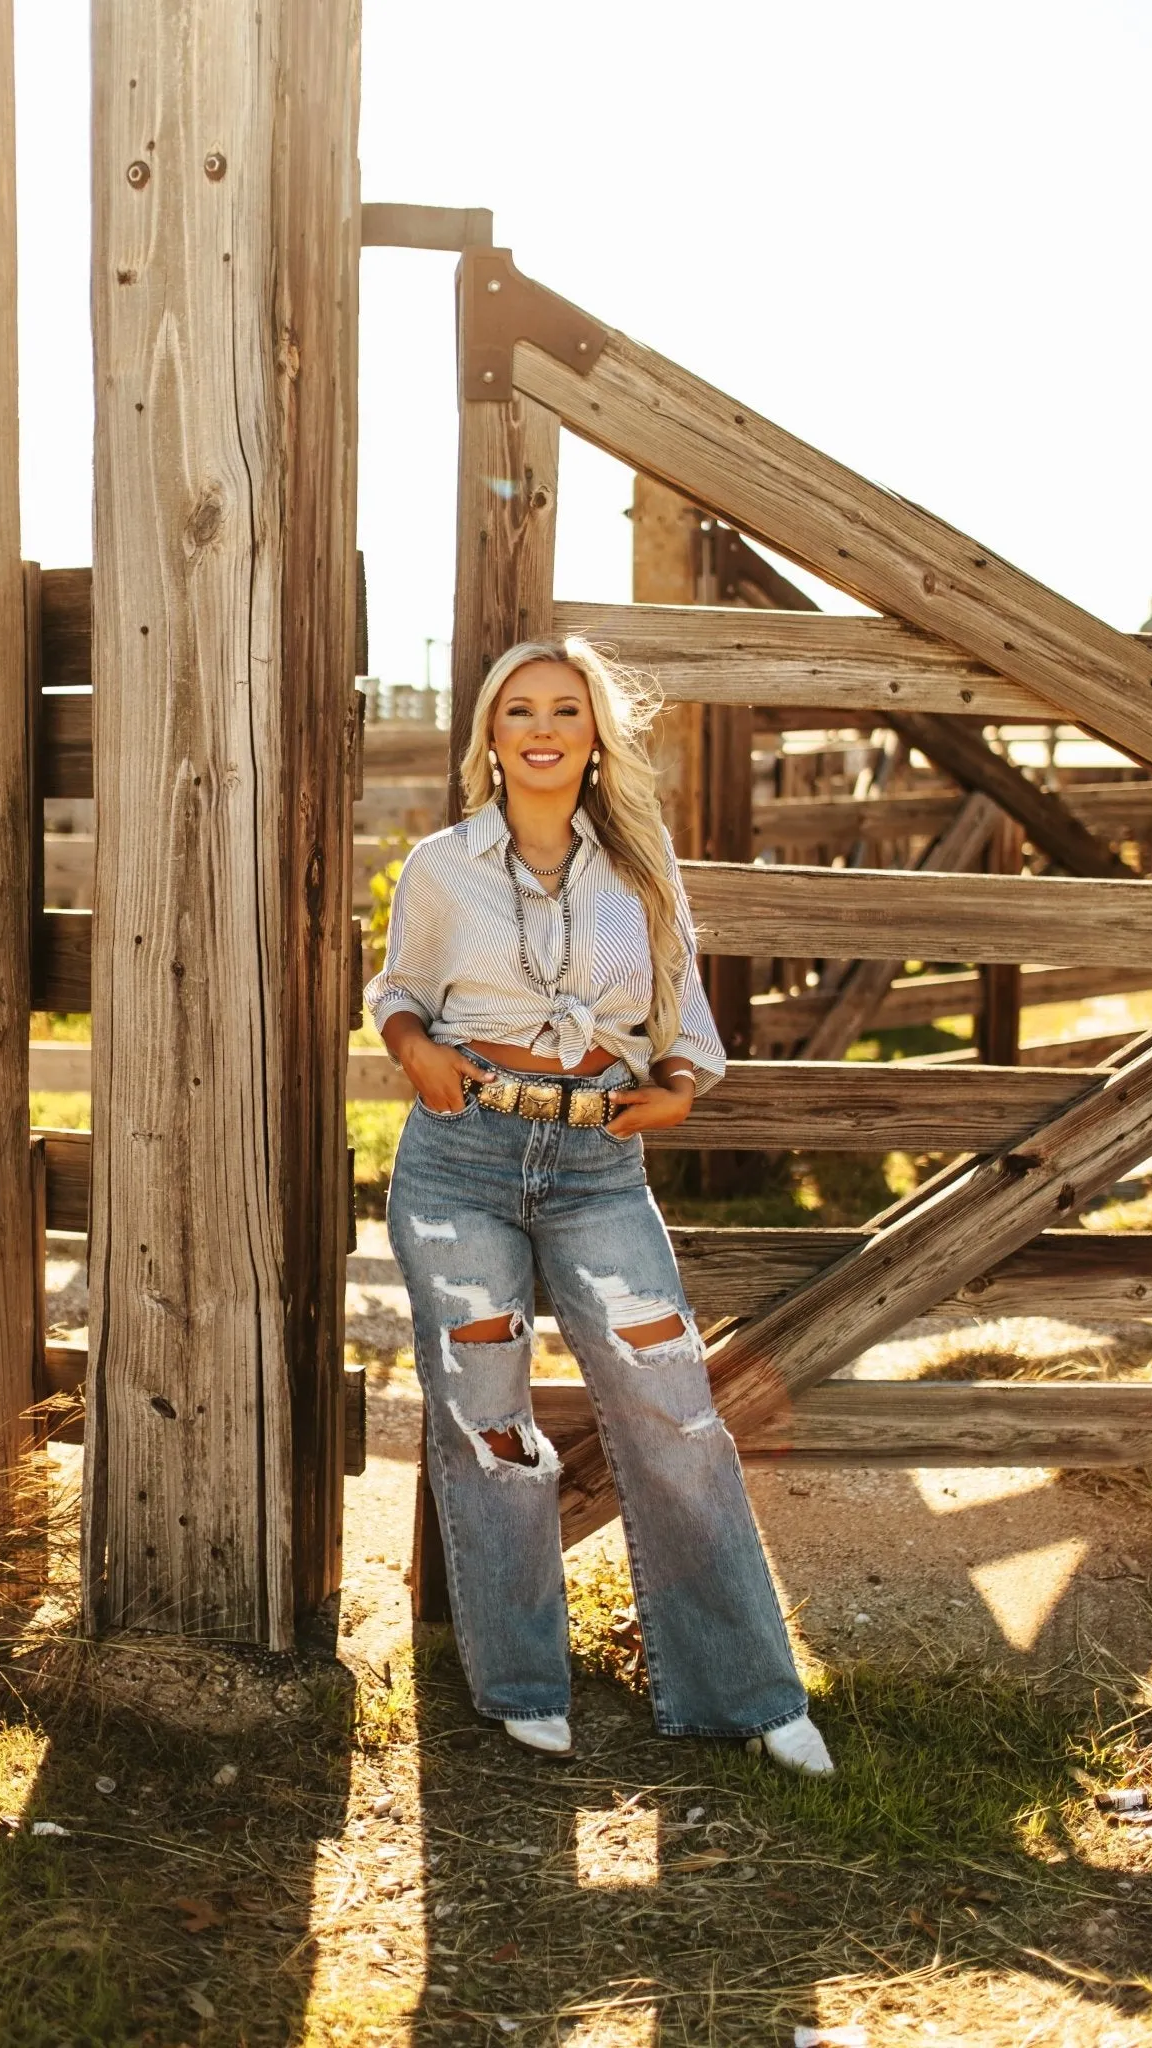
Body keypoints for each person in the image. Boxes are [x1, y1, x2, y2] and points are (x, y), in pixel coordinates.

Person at [365, 636, 832, 1773]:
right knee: (493, 1421)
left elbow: (681, 1015)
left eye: (563, 709)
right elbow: (400, 994)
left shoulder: (642, 870)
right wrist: (413, 1046)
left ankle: (750, 1691)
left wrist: (674, 1095)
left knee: (674, 1409)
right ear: (489, 733)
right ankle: (522, 1680)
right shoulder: (441, 865)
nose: (539, 726)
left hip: (595, 1163)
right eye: (516, 708)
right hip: (462, 1153)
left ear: (593, 734)